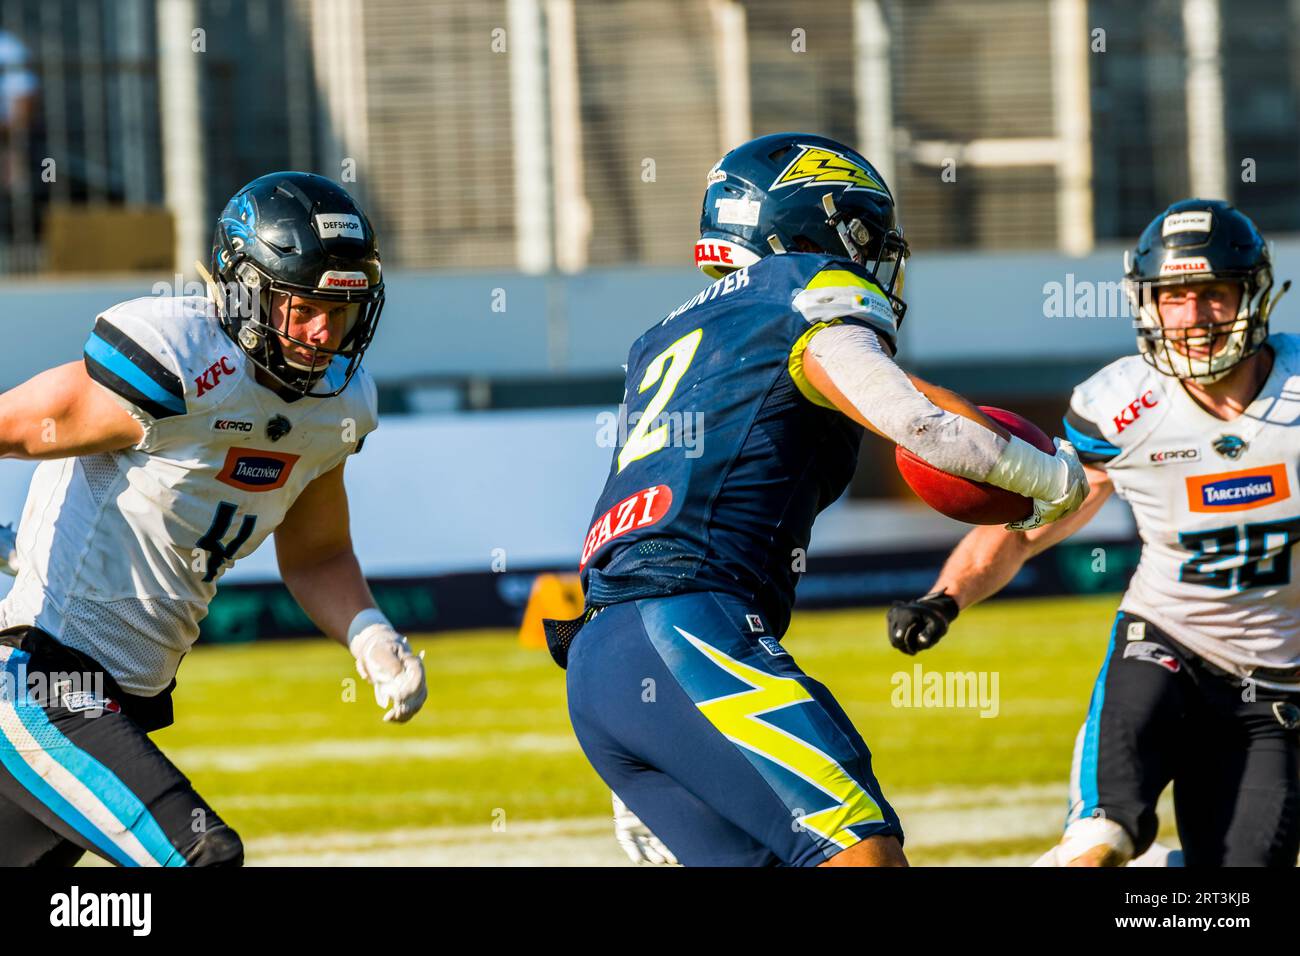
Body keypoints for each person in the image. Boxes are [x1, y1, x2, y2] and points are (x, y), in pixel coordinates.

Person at [548, 133, 1087, 867]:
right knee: (863, 855)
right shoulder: (799, 293)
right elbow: (921, 425)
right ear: (806, 226)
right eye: (860, 231)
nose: (871, 255)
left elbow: (916, 402)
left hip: (607, 658)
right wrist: (1052, 480)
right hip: (686, 628)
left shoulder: (672, 336)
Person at [0, 171, 426, 866]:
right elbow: (11, 429)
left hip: (124, 696)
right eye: (302, 306)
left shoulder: (335, 408)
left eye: (341, 312)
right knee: (204, 857)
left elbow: (317, 553)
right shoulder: (179, 360)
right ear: (246, 293)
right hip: (38, 680)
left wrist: (373, 637)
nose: (322, 334)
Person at [887, 199, 1300, 867]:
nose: (1193, 319)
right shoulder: (1119, 406)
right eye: (1174, 298)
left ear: (1251, 295)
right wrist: (946, 597)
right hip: (1166, 646)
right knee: (1100, 844)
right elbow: (1029, 525)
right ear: (1148, 304)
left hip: (1278, 686)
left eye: (1213, 296)